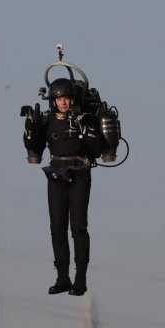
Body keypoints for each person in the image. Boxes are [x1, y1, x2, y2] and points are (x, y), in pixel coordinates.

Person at [23, 77, 104, 296]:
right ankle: (62, 278)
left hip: (79, 173)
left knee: (78, 227)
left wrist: (87, 134)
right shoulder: (47, 121)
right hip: (55, 175)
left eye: (67, 98)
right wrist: (30, 128)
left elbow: (96, 149)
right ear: (53, 100)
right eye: (59, 99)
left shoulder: (83, 119)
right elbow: (34, 146)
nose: (63, 102)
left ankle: (80, 279)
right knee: (57, 228)